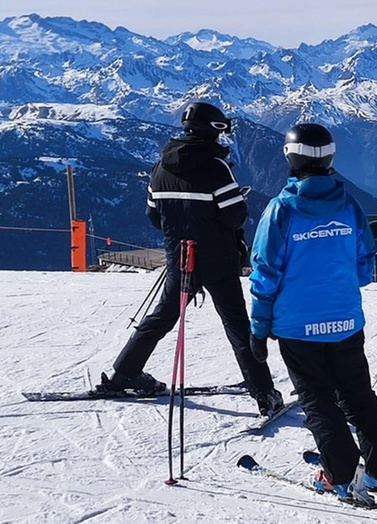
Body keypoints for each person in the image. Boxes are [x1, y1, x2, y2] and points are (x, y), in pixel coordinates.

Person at [248, 123, 377, 506]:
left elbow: (265, 274)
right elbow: (365, 267)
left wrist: (258, 328)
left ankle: (340, 474)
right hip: (346, 322)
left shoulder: (282, 210)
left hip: (298, 329)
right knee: (358, 395)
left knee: (318, 400)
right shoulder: (349, 205)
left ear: (290, 158)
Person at [99, 101, 284, 418]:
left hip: (179, 258)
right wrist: (236, 201)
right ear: (213, 130)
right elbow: (234, 217)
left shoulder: (160, 167)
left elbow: (153, 215)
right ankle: (265, 394)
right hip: (217, 260)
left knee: (161, 317)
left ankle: (123, 374)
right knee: (237, 326)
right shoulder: (216, 168)